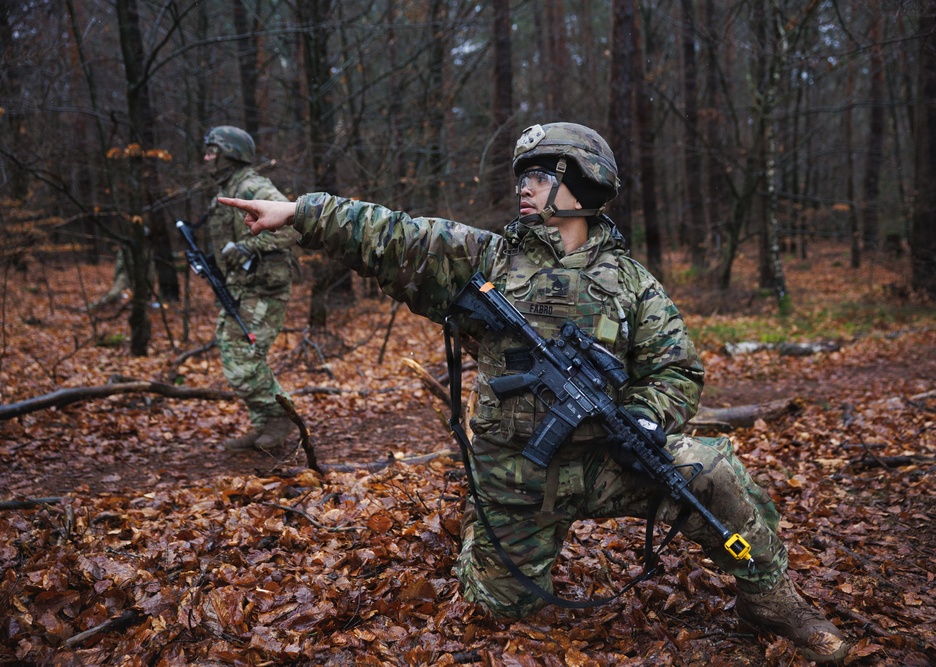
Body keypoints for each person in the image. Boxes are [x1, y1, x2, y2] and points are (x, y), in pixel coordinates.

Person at [219, 122, 849, 662]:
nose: (523, 186)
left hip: (609, 462)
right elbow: (395, 234)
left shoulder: (631, 283)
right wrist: (301, 214)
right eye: (524, 175)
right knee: (502, 613)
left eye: (541, 174)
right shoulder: (484, 260)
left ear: (584, 182)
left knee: (714, 474)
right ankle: (482, 536)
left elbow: (677, 369)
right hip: (517, 476)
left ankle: (772, 601)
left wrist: (646, 418)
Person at [202, 125, 298, 452]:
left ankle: (280, 418)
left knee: (243, 357)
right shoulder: (231, 187)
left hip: (264, 289)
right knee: (234, 350)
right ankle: (264, 425)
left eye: (212, 152)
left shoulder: (252, 186)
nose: (206, 158)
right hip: (244, 287)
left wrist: (248, 247)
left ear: (231, 153)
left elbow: (292, 225)